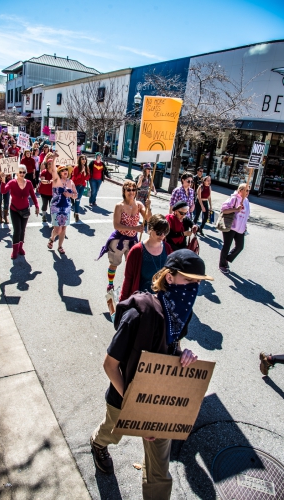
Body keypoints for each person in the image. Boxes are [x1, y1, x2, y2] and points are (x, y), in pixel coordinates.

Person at [90, 249, 213, 499]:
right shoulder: (139, 314)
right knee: (112, 434)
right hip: (124, 396)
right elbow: (110, 365)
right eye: (189, 280)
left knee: (159, 473)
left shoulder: (179, 315)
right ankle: (97, 444)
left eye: (198, 283)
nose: (194, 288)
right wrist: (137, 411)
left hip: (160, 401)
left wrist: (183, 356)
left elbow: (171, 346)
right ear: (170, 278)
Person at [97, 180, 152, 292]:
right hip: (119, 240)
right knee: (114, 264)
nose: (131, 192)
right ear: (124, 191)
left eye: (133, 189)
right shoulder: (119, 206)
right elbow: (116, 225)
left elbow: (149, 218)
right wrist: (135, 228)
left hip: (133, 241)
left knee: (133, 266)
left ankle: (129, 286)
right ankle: (110, 284)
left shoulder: (139, 205)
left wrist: (148, 207)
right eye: (128, 190)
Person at [120, 214, 172, 301]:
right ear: (150, 229)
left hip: (161, 300)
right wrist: (122, 302)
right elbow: (128, 279)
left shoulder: (168, 248)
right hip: (141, 301)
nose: (162, 235)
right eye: (159, 232)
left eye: (165, 232)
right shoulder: (136, 251)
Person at [0, 166, 39, 259]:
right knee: (17, 230)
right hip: (14, 209)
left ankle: (20, 247)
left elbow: (33, 195)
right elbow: (3, 191)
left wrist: (37, 206)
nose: (22, 174)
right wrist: (3, 179)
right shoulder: (12, 182)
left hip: (25, 209)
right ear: (16, 173)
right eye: (20, 172)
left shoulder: (28, 183)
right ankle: (15, 250)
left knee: (23, 230)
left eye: (23, 172)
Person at [47, 154, 78, 254]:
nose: (65, 172)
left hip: (66, 208)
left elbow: (76, 195)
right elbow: (53, 169)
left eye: (67, 170)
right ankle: (52, 238)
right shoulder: (56, 180)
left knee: (64, 228)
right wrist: (55, 158)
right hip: (56, 208)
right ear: (60, 173)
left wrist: (71, 195)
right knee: (58, 229)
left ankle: (60, 246)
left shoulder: (71, 182)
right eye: (63, 170)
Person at [218, 183, 250, 274]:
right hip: (231, 226)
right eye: (246, 190)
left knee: (240, 246)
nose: (248, 192)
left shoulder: (247, 201)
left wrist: (245, 225)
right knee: (227, 246)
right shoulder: (234, 198)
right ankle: (222, 264)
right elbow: (224, 210)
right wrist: (236, 209)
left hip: (241, 228)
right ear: (240, 190)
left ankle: (227, 259)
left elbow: (246, 215)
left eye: (248, 191)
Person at [71, 154, 90, 222]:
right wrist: (81, 172)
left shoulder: (87, 167)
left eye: (85, 159)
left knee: (78, 199)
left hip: (82, 186)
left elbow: (87, 178)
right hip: (76, 185)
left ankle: (76, 212)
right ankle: (76, 213)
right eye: (82, 159)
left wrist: (85, 173)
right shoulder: (76, 168)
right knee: (77, 199)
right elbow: (74, 178)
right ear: (80, 160)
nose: (84, 160)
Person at [38, 156, 53, 222]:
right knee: (45, 204)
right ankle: (44, 215)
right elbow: (42, 181)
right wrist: (50, 181)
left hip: (52, 192)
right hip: (44, 192)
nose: (50, 165)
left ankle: (53, 217)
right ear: (47, 165)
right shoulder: (44, 172)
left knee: (52, 205)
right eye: (49, 163)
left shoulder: (55, 172)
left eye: (51, 163)